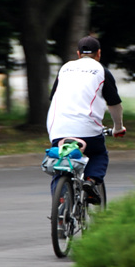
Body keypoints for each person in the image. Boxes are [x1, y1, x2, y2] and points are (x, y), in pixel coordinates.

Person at [47, 35, 126, 204]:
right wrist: (118, 127)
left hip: (57, 129)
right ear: (99, 54)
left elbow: (53, 97)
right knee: (98, 153)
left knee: (60, 165)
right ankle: (91, 181)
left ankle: (60, 209)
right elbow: (114, 104)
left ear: (78, 54)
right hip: (86, 130)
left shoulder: (65, 69)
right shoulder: (101, 70)